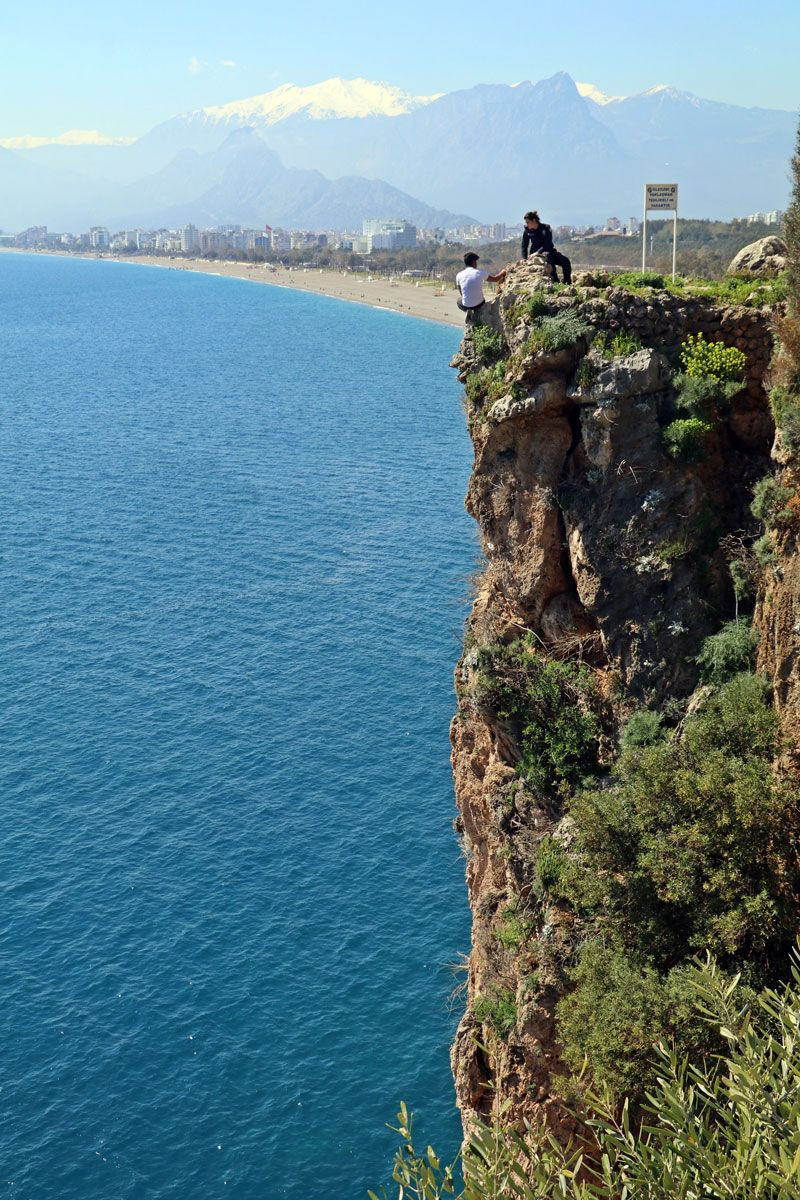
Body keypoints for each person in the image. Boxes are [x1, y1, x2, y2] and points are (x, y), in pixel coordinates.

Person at [520, 211, 572, 284]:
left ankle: (567, 283)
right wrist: (524, 258)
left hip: (549, 251)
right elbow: (524, 245)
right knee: (548, 257)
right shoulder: (527, 231)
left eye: (528, 222)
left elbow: (548, 243)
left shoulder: (546, 228)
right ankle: (555, 282)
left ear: (534, 220)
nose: (526, 224)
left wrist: (538, 252)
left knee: (565, 261)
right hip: (536, 256)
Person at [455, 252, 506, 319]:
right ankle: (477, 312)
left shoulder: (459, 275)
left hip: (466, 305)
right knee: (480, 300)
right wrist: (503, 272)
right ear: (473, 262)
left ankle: (468, 311)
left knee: (459, 301)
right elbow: (495, 279)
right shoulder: (480, 273)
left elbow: (461, 292)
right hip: (479, 304)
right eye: (476, 262)